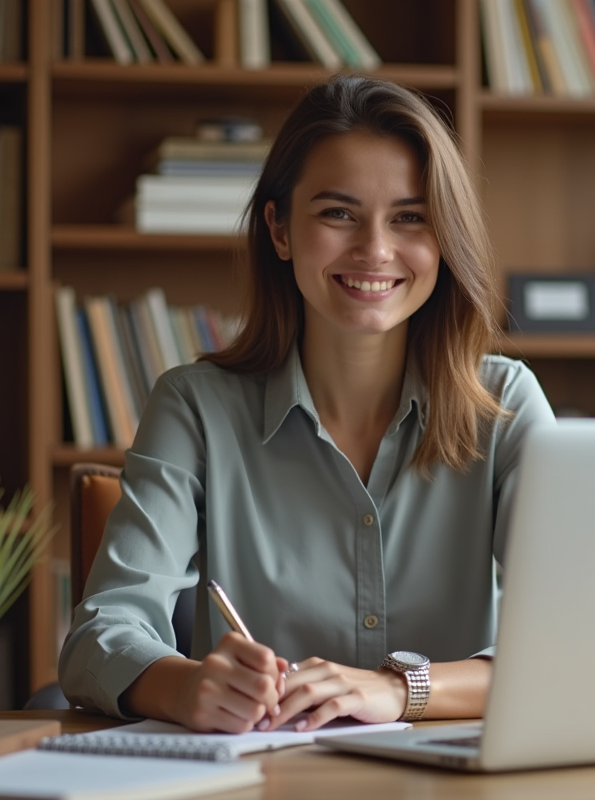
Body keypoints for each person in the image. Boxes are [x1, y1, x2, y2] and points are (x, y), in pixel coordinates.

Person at [58, 75, 555, 734]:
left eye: (410, 217)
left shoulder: (505, 404)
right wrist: (185, 687)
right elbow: (98, 636)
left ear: (444, 238)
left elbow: (574, 643)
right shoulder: (194, 407)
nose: (375, 249)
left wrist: (398, 689)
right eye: (338, 213)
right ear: (280, 229)